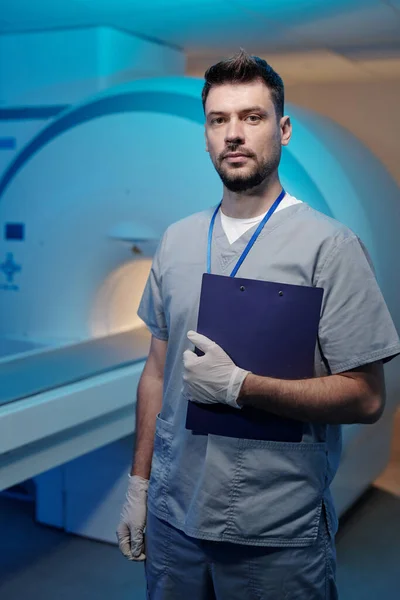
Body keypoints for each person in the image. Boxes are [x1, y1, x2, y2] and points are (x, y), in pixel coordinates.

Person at [116, 50, 400, 599]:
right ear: (205, 136)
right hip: (174, 521)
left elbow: (367, 399)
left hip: (276, 532)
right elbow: (156, 374)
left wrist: (240, 386)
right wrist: (139, 483)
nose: (234, 134)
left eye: (252, 117)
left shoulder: (329, 247)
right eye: (219, 120)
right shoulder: (176, 241)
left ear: (284, 129)